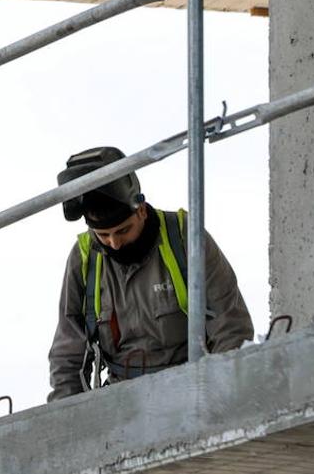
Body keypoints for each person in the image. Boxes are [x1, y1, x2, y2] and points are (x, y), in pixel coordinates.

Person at [48, 147, 254, 400]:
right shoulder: (84, 258)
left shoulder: (184, 236)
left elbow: (230, 328)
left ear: (141, 210)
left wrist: (220, 397)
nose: (114, 243)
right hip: (121, 400)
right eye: (103, 235)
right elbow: (68, 351)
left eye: (123, 231)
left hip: (191, 389)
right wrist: (67, 416)